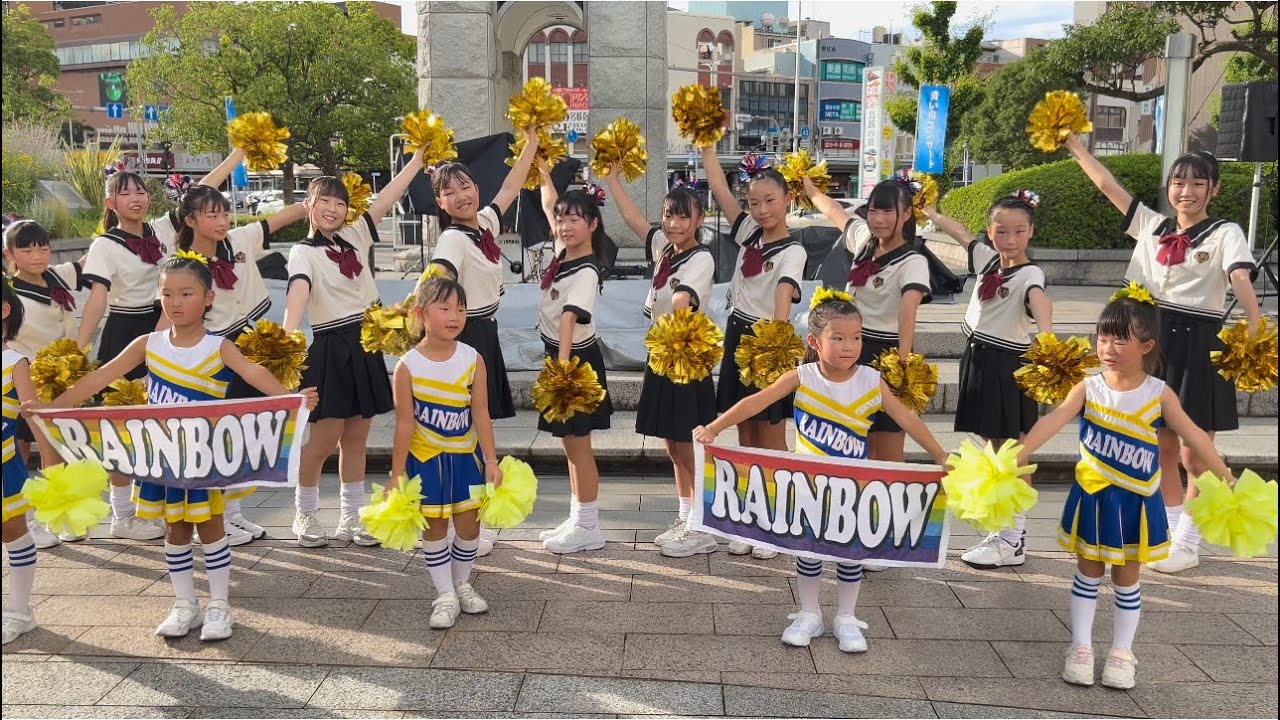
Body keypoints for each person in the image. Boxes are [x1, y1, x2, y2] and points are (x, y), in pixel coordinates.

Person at [36, 255, 318, 641]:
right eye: (167, 293)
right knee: (176, 529)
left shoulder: (220, 347)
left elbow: (255, 373)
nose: (175, 302)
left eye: (186, 293)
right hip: (164, 459)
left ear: (207, 298)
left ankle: (219, 605)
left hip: (204, 458)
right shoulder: (147, 344)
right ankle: (185, 603)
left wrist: (291, 399)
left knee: (211, 525)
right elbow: (102, 376)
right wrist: (52, 408)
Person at [694, 295, 949, 652]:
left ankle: (846, 616)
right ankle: (809, 613)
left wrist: (939, 454)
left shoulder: (871, 381)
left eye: (856, 337)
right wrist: (716, 427)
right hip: (808, 486)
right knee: (807, 549)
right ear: (814, 342)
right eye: (839, 338)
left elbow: (907, 418)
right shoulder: (803, 376)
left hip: (855, 487)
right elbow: (756, 401)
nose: (849, 346)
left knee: (851, 552)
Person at [1064, 137, 1261, 573]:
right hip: (1150, 342)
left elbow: (1240, 274)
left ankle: (1190, 540)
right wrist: (1076, 147)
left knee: (1196, 449)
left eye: (1197, 182)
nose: (1185, 190)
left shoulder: (1226, 232)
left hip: (1198, 343)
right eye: (1178, 181)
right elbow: (1108, 186)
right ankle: (1170, 532)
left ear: (1214, 189)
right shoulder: (1152, 225)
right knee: (1160, 446)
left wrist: (1252, 322)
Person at [1016, 291, 1232, 689]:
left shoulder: (1159, 393)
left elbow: (1196, 436)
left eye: (1119, 340)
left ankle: (1121, 651)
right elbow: (1055, 418)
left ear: (1146, 346)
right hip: (1093, 497)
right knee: (1087, 572)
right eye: (1102, 338)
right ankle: (1081, 647)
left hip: (1136, 501)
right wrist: (1020, 452)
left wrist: (1227, 476)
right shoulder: (1088, 387)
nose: (1107, 348)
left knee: (1128, 578)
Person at [76, 150, 257, 543]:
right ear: (111, 203)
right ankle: (122, 514)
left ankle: (196, 509)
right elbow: (96, 300)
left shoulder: (159, 231)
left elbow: (201, 191)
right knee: (124, 428)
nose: (136, 198)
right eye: (125, 193)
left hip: (170, 326)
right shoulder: (105, 245)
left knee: (173, 422)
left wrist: (237, 155)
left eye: (140, 191)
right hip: (127, 332)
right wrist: (80, 346)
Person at [282, 147, 425, 548]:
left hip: (365, 344)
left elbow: (388, 197)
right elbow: (298, 290)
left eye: (339, 202)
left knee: (357, 439)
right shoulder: (301, 251)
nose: (332, 208)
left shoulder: (356, 235)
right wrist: (287, 336)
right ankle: (305, 515)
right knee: (323, 441)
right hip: (330, 348)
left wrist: (415, 161)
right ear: (308, 205)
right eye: (323, 200)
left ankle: (351, 519)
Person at [169, 185, 307, 545]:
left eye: (224, 213)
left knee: (247, 435)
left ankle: (232, 513)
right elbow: (171, 314)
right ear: (190, 220)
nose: (221, 221)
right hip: (213, 353)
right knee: (217, 439)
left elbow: (279, 219)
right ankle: (214, 518)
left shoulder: (240, 239)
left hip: (250, 346)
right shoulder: (181, 264)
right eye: (211, 215)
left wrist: (314, 204)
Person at [924, 192, 1054, 568]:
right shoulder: (987, 258)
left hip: (1007, 364)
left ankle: (1013, 538)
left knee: (1012, 452)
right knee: (994, 448)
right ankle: (1006, 531)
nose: (1009, 239)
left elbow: (1039, 301)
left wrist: (1046, 339)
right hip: (977, 357)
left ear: (1030, 232)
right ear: (990, 231)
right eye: (1001, 230)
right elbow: (961, 232)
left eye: (1018, 231)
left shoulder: (1031, 273)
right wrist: (931, 212)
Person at [603, 168, 719, 559]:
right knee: (671, 443)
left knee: (688, 444)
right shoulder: (665, 250)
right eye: (669, 215)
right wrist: (613, 179)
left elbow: (684, 299)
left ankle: (702, 525)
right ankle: (685, 514)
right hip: (662, 356)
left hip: (684, 359)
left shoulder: (700, 258)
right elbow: (635, 220)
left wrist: (676, 324)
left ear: (699, 221)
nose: (673, 223)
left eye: (683, 216)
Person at [700, 144, 808, 560]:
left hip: (769, 340)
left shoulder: (794, 250)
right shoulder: (748, 234)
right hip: (738, 333)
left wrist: (778, 340)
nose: (762, 210)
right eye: (754, 203)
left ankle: (777, 518)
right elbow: (720, 191)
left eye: (770, 201)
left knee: (771, 434)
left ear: (787, 201)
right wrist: (708, 147)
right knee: (744, 431)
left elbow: (785, 288)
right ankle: (748, 515)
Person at [390, 275, 502, 628]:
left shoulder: (473, 359)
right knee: (434, 527)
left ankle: (461, 583)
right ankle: (444, 594)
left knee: (470, 527)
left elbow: (481, 413)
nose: (454, 316)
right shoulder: (407, 365)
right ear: (422, 313)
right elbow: (404, 424)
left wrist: (491, 459)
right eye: (445, 308)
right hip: (425, 461)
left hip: (465, 460)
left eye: (461, 309)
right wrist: (396, 472)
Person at [412, 128, 539, 422]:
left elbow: (510, 188)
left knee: (480, 422)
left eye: (465, 187)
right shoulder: (452, 239)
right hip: (462, 334)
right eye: (449, 193)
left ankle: (482, 467)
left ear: (477, 189)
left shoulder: (485, 223)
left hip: (484, 332)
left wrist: (531, 144)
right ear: (440, 203)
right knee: (463, 419)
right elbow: (439, 275)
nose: (460, 196)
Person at [805, 177, 931, 464]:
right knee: (845, 441)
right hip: (848, 349)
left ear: (907, 214)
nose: (879, 219)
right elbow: (836, 212)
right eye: (874, 211)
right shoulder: (864, 240)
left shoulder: (913, 261)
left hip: (886, 353)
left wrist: (902, 361)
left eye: (888, 212)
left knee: (885, 446)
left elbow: (908, 308)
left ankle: (887, 506)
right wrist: (811, 191)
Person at [533, 188, 614, 554]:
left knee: (580, 447)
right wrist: (544, 170)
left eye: (574, 220)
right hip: (560, 358)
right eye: (561, 220)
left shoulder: (586, 268)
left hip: (575, 362)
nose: (564, 226)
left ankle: (588, 526)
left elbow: (568, 317)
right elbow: (550, 203)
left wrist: (562, 370)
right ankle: (576, 515)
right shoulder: (563, 253)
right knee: (569, 446)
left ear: (593, 224)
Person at [4, 220, 82, 549]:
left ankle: (58, 516)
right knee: (35, 451)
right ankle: (39, 520)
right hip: (23, 381)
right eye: (26, 248)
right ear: (9, 255)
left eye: (43, 246)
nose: (37, 254)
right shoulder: (9, 292)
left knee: (65, 448)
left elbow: (93, 258)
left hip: (62, 380)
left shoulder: (58, 277)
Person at [2, 280, 60, 645]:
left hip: (5, 464)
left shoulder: (14, 362)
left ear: (4, 310)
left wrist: (53, 471)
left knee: (13, 533)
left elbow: (33, 413)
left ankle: (20, 611)